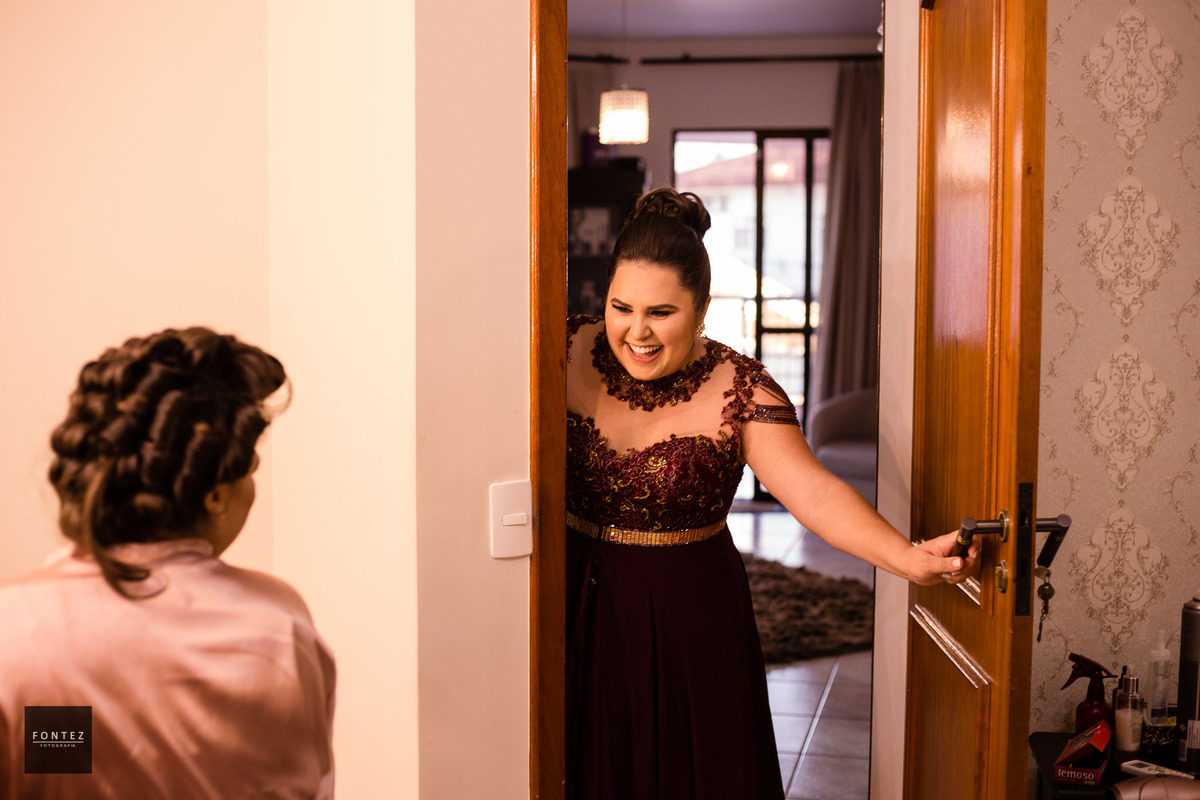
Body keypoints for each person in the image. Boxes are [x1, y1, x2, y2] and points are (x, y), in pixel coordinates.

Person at [565, 188, 978, 800]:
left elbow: (814, 494)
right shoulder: (564, 348)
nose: (637, 332)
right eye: (621, 307)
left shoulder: (742, 390)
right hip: (574, 600)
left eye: (661, 312)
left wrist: (907, 558)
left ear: (702, 309)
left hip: (689, 619)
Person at [0, 327, 335, 799]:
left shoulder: (17, 629)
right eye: (252, 473)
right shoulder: (279, 627)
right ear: (215, 494)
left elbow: (65, 752)